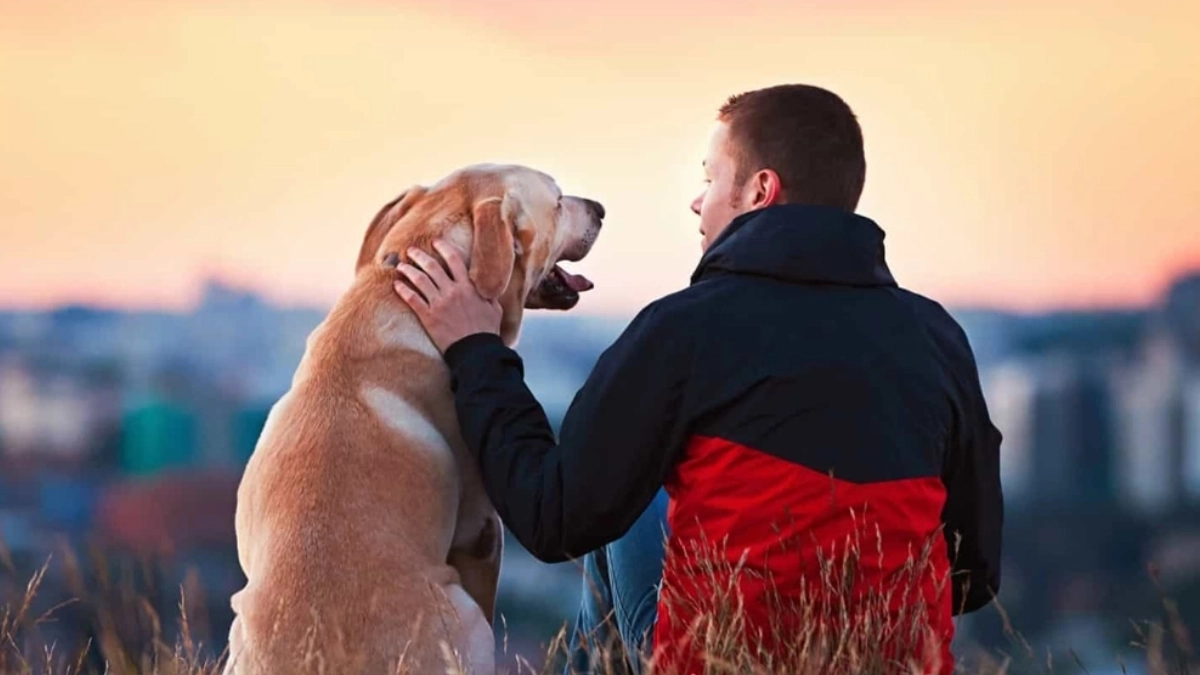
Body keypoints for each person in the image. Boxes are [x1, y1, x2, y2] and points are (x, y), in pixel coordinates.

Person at [392, 83, 1003, 675]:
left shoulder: (685, 329)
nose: (697, 202)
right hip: (891, 663)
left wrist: (475, 348)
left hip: (724, 661)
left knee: (625, 498)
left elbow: (552, 518)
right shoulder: (937, 339)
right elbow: (974, 572)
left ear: (761, 190)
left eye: (710, 179)